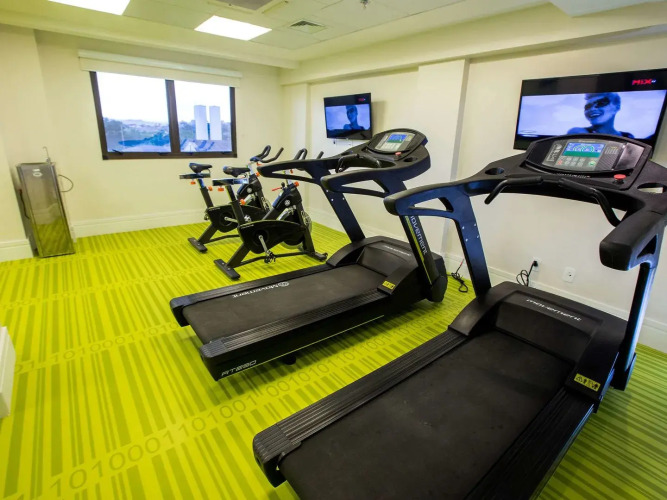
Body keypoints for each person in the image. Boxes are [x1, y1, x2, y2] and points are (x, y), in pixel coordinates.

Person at [567, 92, 634, 138]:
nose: (592, 109)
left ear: (616, 107)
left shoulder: (628, 136)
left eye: (601, 103)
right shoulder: (578, 132)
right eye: (588, 106)